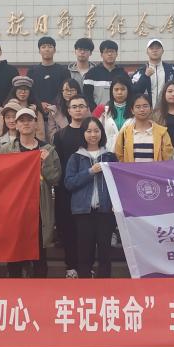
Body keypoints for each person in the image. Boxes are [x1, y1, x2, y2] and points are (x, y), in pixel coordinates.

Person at [0, 108, 61, 278]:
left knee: (39, 254)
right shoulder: (7, 150)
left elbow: (55, 178)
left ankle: (39, 290)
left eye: (29, 120)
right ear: (16, 125)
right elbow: (1, 180)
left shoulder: (48, 149)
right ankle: (14, 288)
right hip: (16, 209)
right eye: (22, 120)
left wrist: (45, 163)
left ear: (36, 124)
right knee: (15, 253)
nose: (26, 123)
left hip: (39, 208)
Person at [64, 117, 118, 278]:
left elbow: (117, 183)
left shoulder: (110, 156)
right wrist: (90, 172)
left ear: (102, 133)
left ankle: (105, 286)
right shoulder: (76, 157)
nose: (93, 135)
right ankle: (85, 286)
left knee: (105, 252)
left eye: (96, 131)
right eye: (89, 131)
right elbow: (69, 183)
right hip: (83, 212)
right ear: (83, 133)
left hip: (105, 211)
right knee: (84, 252)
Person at [53, 95, 91, 278]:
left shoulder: (92, 133)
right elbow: (57, 164)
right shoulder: (60, 135)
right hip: (66, 190)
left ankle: (86, 267)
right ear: (68, 111)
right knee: (68, 229)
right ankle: (71, 267)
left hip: (88, 188)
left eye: (81, 106)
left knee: (87, 231)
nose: (78, 109)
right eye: (74, 106)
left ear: (87, 109)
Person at [115, 94, 174, 162]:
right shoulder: (124, 133)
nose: (142, 109)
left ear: (151, 109)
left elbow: (168, 157)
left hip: (155, 169)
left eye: (145, 106)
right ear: (132, 110)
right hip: (131, 169)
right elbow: (119, 156)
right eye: (138, 107)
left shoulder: (162, 133)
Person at [27, 36, 72, 114]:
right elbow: (30, 91)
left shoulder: (63, 71)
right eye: (43, 47)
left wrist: (54, 104)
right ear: (39, 51)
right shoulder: (32, 71)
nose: (47, 49)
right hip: (38, 111)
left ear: (54, 50)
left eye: (50, 47)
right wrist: (39, 103)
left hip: (59, 111)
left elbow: (67, 91)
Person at [92, 75, 134, 153]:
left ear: (128, 91)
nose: (119, 92)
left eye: (123, 89)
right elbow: (92, 131)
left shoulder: (135, 110)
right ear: (111, 91)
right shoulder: (102, 109)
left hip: (130, 153)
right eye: (116, 89)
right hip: (107, 153)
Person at [84, 40, 130, 110]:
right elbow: (87, 97)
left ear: (116, 54)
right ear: (101, 54)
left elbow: (129, 94)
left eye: (112, 51)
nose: (110, 54)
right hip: (97, 113)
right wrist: (96, 111)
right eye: (106, 52)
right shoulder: (91, 74)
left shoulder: (123, 74)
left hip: (119, 112)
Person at [131, 38, 174, 105]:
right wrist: (145, 76)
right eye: (151, 48)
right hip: (146, 109)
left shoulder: (171, 70)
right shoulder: (140, 72)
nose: (155, 50)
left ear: (163, 51)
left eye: (157, 48)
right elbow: (134, 92)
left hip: (167, 108)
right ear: (147, 52)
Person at [46, 78, 82, 142]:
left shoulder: (84, 108)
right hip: (61, 143)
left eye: (72, 90)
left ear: (77, 91)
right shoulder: (54, 109)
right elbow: (51, 134)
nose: (69, 93)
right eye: (66, 90)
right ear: (61, 91)